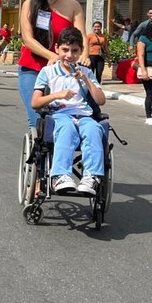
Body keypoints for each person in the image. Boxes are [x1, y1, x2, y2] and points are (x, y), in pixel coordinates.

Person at [31, 26, 107, 195]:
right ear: (57, 49)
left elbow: (101, 100)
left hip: (83, 115)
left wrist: (86, 79)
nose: (69, 55)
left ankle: (91, 177)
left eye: (74, 51)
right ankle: (60, 175)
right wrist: (58, 95)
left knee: (94, 130)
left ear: (80, 52)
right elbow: (35, 102)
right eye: (65, 50)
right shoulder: (48, 72)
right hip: (59, 114)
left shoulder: (86, 71)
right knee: (67, 129)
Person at [18, 0, 88, 132]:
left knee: (67, 115)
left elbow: (82, 37)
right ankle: (39, 155)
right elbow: (27, 38)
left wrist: (85, 56)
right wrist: (51, 55)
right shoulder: (29, 4)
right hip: (32, 67)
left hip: (64, 69)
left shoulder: (73, 5)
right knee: (37, 118)